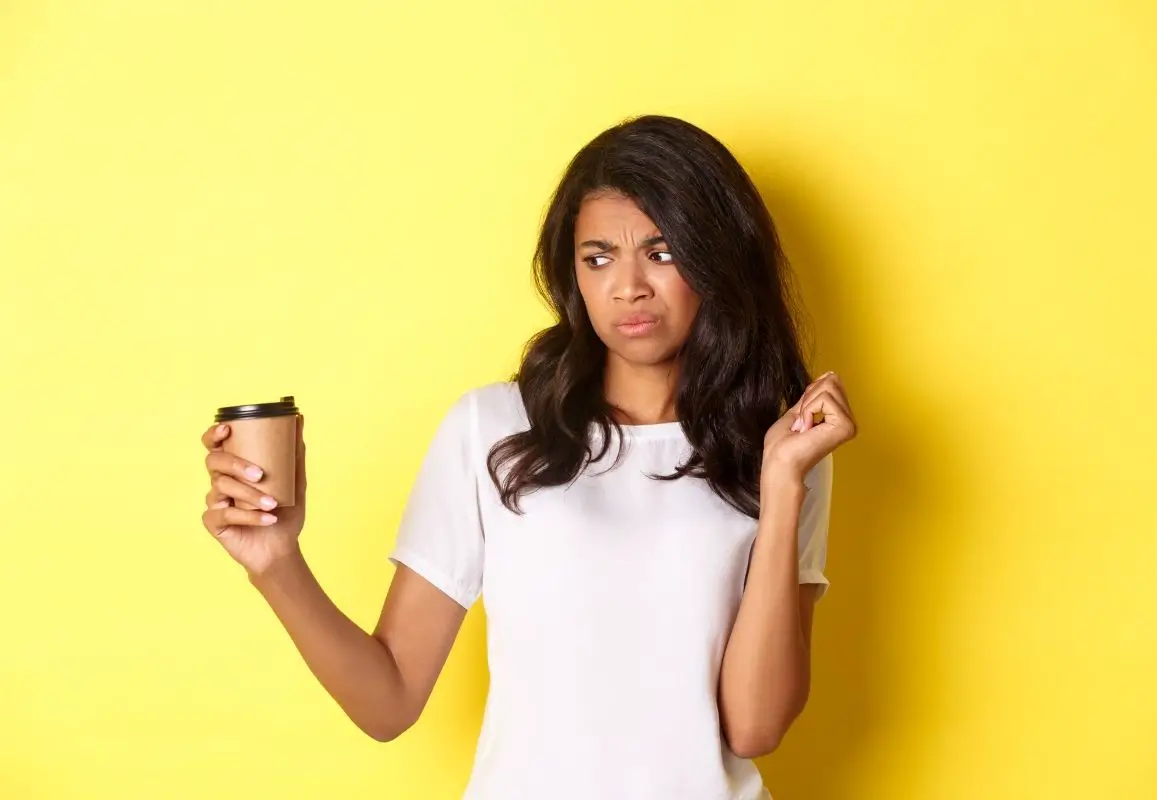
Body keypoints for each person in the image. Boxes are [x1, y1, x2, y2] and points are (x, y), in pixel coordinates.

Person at [199, 114, 858, 799]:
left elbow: (754, 727)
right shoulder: (492, 428)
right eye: (597, 257)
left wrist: (783, 488)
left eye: (661, 253)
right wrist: (276, 564)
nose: (627, 286)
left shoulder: (781, 448)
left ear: (716, 258)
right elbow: (387, 701)